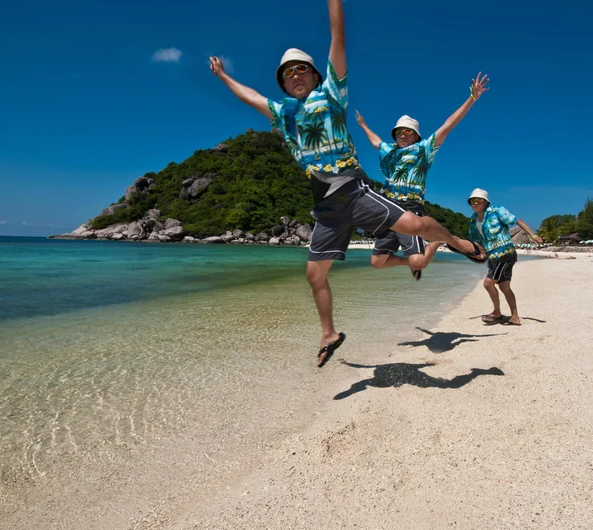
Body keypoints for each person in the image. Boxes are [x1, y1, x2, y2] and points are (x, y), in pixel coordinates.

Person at [210, 0, 483, 367]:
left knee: (417, 226)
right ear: (283, 82)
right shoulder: (283, 112)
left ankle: (458, 243)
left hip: (353, 191)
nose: (295, 74)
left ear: (314, 74)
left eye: (302, 68)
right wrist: (225, 77)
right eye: (288, 72)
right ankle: (329, 333)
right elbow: (253, 97)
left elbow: (337, 36)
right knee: (314, 274)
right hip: (325, 208)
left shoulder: (331, 95)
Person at [355, 73, 489, 280]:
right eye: (399, 131)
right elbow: (375, 142)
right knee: (377, 262)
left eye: (407, 132)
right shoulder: (389, 151)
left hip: (410, 206)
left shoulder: (423, 149)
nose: (402, 134)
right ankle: (425, 247)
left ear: (416, 136)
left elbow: (448, 125)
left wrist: (472, 98)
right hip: (388, 208)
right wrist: (363, 125)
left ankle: (440, 240)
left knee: (420, 262)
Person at [467, 188, 543, 326]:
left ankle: (497, 313)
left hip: (504, 253)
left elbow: (517, 220)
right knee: (504, 287)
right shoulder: (473, 220)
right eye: (472, 200)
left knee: (488, 283)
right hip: (492, 256)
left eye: (479, 200)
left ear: (485, 202)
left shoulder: (496, 211)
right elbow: (475, 241)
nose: (475, 203)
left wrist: (533, 235)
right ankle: (515, 317)